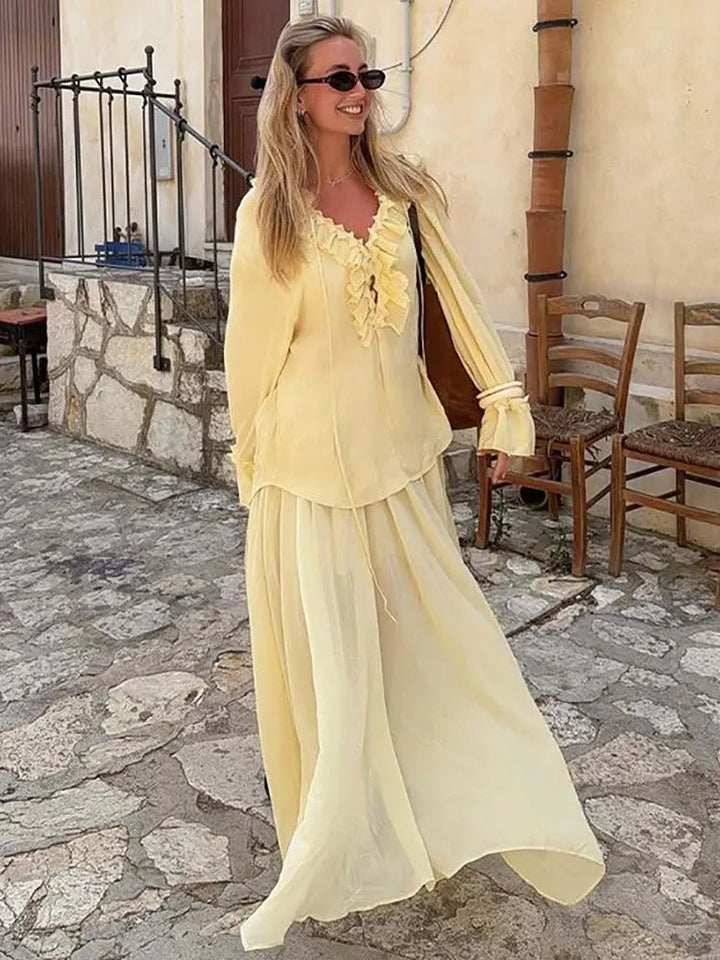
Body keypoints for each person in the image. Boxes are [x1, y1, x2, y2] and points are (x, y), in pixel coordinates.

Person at [224, 14, 604, 952]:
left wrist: (505, 409)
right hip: (308, 476)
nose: (360, 93)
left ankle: (464, 799)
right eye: (339, 79)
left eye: (368, 76)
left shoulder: (406, 192)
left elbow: (464, 306)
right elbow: (250, 358)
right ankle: (336, 836)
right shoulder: (268, 213)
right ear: (297, 95)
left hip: (401, 467)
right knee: (335, 667)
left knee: (451, 649)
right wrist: (253, 467)